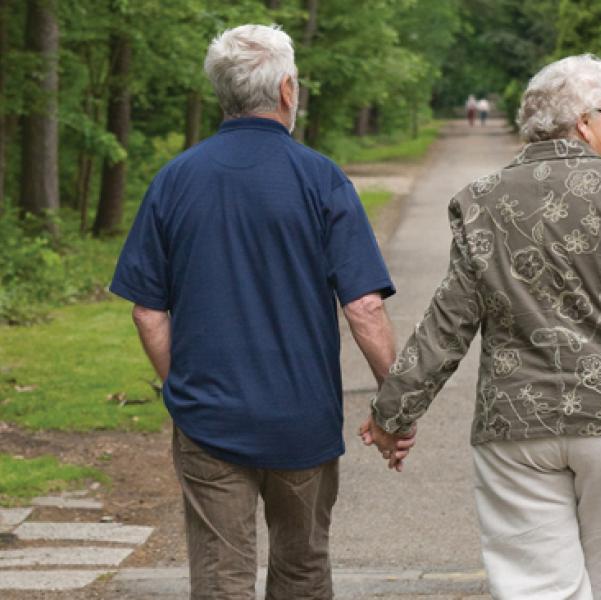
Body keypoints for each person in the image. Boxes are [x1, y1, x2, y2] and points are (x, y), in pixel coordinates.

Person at [361, 54, 601, 600]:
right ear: (584, 121)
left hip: (515, 427)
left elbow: (449, 322)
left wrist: (393, 414)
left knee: (536, 587)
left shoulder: (480, 201)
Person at [110, 24, 412, 600]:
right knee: (301, 573)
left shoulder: (174, 181)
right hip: (302, 420)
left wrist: (182, 389)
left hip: (209, 420)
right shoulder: (321, 180)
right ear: (287, 91)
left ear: (222, 93)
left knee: (221, 581)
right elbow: (365, 306)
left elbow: (147, 313)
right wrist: (394, 406)